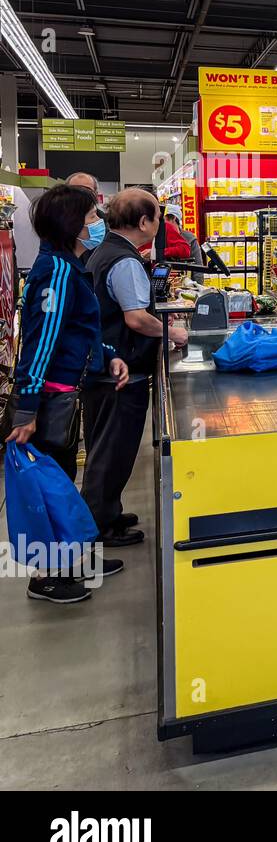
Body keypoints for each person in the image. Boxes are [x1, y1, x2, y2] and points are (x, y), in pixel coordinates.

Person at [8, 186, 130, 603]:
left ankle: (77, 561)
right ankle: (46, 578)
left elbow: (80, 330)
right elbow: (41, 342)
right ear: (71, 225)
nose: (94, 225)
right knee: (48, 488)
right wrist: (26, 408)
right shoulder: (57, 272)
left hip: (65, 394)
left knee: (62, 481)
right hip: (48, 400)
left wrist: (108, 356)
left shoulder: (69, 266)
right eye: (89, 219)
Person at [82, 189, 189, 547]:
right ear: (144, 222)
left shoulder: (106, 252)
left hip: (106, 367)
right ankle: (99, 525)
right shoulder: (124, 261)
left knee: (107, 447)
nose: (159, 223)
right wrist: (173, 332)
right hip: (120, 371)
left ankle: (107, 510)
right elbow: (136, 319)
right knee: (112, 451)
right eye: (157, 217)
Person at [66, 174, 106, 255]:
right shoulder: (54, 223)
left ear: (96, 194)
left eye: (87, 190)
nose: (81, 195)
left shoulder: (104, 223)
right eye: (75, 190)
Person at [165, 204, 203, 269]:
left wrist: (197, 279)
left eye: (163, 219)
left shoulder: (190, 238)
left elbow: (198, 264)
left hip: (186, 277)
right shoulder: (159, 235)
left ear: (173, 218)